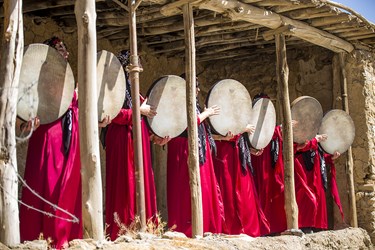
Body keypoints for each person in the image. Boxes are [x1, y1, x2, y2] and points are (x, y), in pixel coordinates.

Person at [19, 36, 82, 249]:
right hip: (48, 135)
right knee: (47, 185)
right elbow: (23, 111)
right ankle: (43, 237)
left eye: (65, 49)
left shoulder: (70, 78)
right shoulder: (40, 79)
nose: (65, 53)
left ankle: (65, 237)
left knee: (66, 188)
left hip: (69, 135)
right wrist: (27, 123)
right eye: (60, 49)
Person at [102, 50, 166, 241]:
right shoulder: (113, 89)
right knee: (125, 179)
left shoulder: (134, 91)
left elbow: (145, 116)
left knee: (142, 178)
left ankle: (145, 225)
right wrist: (139, 110)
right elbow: (113, 114)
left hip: (139, 138)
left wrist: (156, 134)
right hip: (122, 138)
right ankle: (125, 227)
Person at [166, 76, 224, 237]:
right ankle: (188, 227)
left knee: (204, 186)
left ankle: (206, 225)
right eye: (195, 86)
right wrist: (207, 113)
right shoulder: (179, 103)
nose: (198, 90)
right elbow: (188, 123)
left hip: (199, 147)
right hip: (184, 148)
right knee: (185, 188)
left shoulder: (195, 105)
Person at [212, 125, 270, 236]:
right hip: (224, 155)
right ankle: (231, 228)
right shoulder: (216, 111)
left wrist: (250, 149)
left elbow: (240, 138)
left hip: (239, 154)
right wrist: (242, 129)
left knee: (245, 193)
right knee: (228, 192)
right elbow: (211, 135)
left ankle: (248, 229)